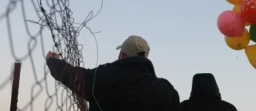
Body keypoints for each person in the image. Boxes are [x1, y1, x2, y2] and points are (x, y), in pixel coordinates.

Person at [46, 35, 180, 111]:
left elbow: (75, 76)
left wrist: (52, 61)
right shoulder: (166, 89)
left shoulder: (105, 76)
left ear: (122, 54)